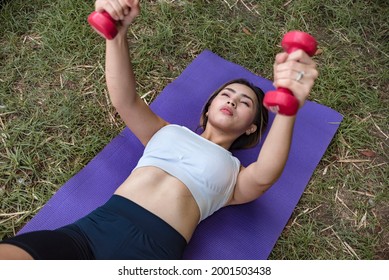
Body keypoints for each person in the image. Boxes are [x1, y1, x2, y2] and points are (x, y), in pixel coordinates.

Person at [0, 0, 318, 260]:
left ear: (251, 126)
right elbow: (125, 100)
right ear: (208, 108)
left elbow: (264, 176)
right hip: (89, 231)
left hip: (150, 253)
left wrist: (289, 108)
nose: (232, 101)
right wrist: (117, 36)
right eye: (226, 94)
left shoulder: (235, 176)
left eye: (244, 102)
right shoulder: (164, 132)